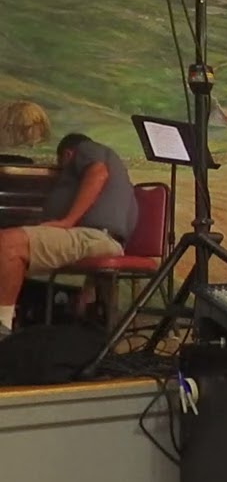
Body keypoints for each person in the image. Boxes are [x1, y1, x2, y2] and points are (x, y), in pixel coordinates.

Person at [0, 133, 138, 337]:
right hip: (97, 236)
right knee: (12, 249)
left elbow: (98, 173)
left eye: (61, 166)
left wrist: (68, 221)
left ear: (67, 154)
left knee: (8, 243)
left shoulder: (86, 148)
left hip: (94, 236)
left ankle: (2, 331)